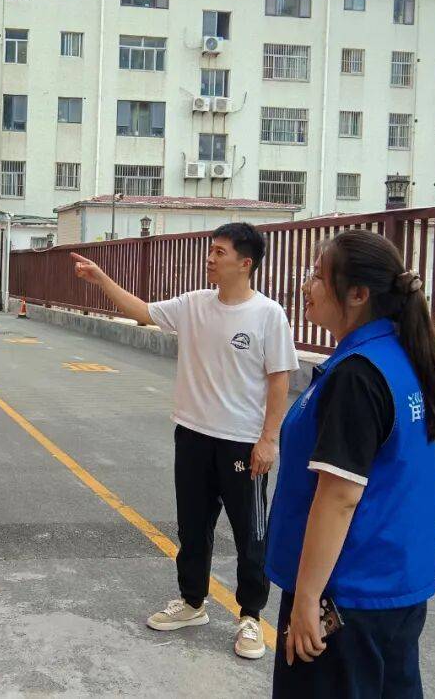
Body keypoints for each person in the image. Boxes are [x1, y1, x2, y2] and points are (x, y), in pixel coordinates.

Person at [71, 222, 299, 660]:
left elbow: (279, 380)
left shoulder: (268, 314)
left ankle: (251, 616)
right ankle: (193, 602)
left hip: (241, 443)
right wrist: (101, 279)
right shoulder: (193, 305)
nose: (210, 258)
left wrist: (269, 440)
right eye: (211, 250)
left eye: (219, 252)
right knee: (193, 528)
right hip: (193, 435)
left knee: (250, 533)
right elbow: (142, 311)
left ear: (245, 263)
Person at [266, 229, 435, 697]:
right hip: (391, 588)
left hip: (345, 594)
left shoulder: (358, 375)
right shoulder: (397, 357)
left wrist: (307, 599)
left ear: (358, 294)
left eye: (317, 276)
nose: (306, 286)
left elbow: (340, 498)